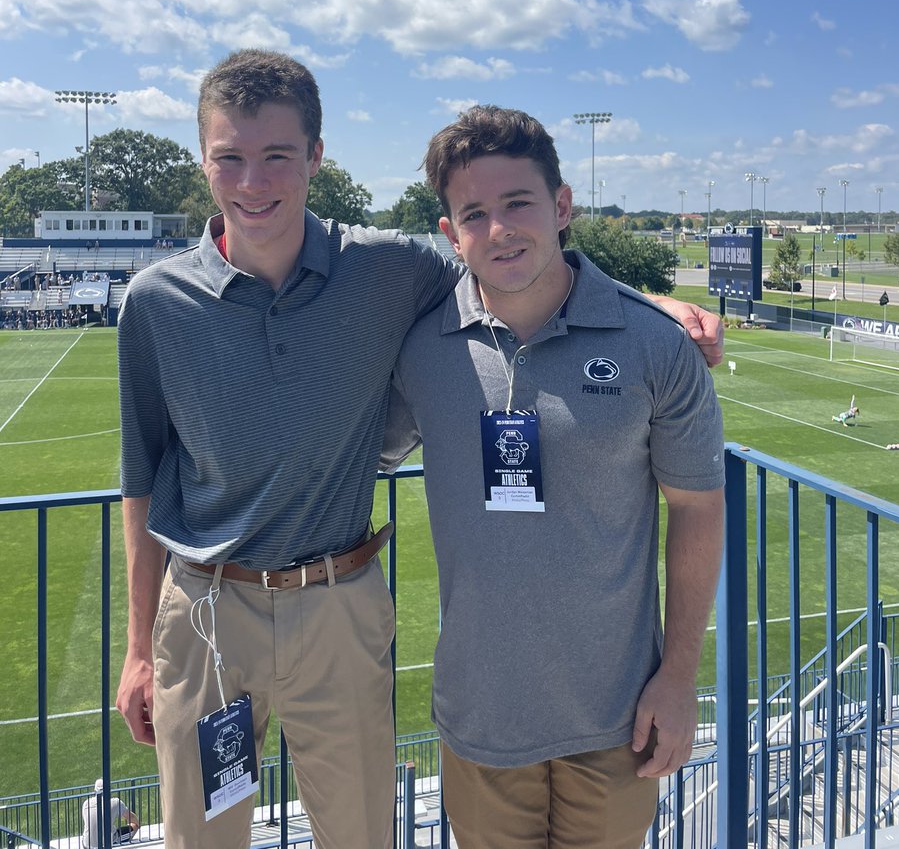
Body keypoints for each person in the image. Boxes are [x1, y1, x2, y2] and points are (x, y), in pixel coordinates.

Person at [115, 50, 723, 849]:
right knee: (202, 838)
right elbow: (140, 481)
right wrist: (137, 650)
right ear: (202, 160)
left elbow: (523, 267)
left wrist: (646, 309)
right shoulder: (155, 301)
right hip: (206, 612)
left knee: (360, 835)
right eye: (230, 157)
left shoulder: (389, 269)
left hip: (339, 600)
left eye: (278, 156)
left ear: (316, 158)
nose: (253, 182)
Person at [382, 105, 725, 849]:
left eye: (519, 203)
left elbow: (698, 508)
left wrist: (678, 677)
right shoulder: (421, 348)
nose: (499, 229)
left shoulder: (655, 344)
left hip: (618, 715)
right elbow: (353, 451)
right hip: (482, 714)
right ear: (450, 234)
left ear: (562, 206)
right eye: (474, 214)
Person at [82, 779, 139, 847]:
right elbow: (131, 817)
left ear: (95, 791)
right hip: (106, 843)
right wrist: (138, 824)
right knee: (134, 825)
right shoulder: (115, 802)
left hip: (86, 844)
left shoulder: (86, 803)